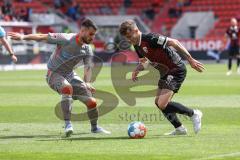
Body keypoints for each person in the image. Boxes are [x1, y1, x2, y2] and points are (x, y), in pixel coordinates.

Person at [8, 19, 110, 137]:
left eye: (94, 35)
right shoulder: (66, 39)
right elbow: (42, 36)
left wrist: (87, 83)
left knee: (92, 102)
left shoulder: (87, 48)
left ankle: (95, 128)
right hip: (54, 73)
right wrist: (22, 37)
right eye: (91, 34)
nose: (93, 38)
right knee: (67, 88)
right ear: (83, 31)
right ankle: (68, 125)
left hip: (70, 74)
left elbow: (88, 67)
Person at [119, 20, 204, 135]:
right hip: (165, 72)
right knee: (157, 102)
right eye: (126, 38)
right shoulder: (136, 45)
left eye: (130, 36)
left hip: (175, 69)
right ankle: (180, 129)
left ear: (136, 30)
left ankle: (194, 114)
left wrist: (190, 59)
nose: (129, 40)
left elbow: (174, 42)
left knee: (162, 103)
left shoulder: (150, 38)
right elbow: (144, 62)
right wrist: (137, 70)